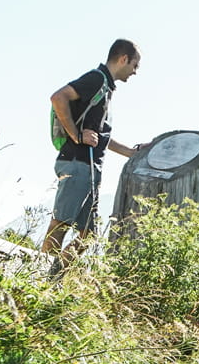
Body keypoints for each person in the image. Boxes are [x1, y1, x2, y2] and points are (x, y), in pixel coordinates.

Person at [43, 40, 144, 256]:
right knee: (60, 224)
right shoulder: (97, 79)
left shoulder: (106, 87)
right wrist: (77, 135)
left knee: (88, 235)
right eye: (135, 65)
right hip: (76, 163)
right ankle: (41, 277)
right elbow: (58, 97)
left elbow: (99, 136)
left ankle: (56, 276)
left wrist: (131, 153)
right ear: (123, 59)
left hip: (89, 167)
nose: (135, 72)